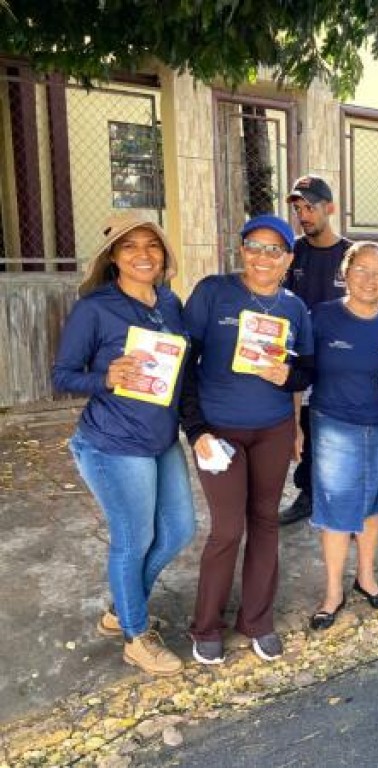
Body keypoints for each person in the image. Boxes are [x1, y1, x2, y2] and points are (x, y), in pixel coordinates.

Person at [52, 212, 196, 677]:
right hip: (112, 442)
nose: (143, 255)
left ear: (164, 254)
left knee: (179, 530)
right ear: (113, 256)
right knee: (134, 540)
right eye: (130, 246)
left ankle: (123, 608)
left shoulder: (169, 302)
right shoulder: (94, 308)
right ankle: (136, 636)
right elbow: (62, 376)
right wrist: (105, 378)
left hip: (161, 438)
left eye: (152, 245)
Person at [181, 214, 314, 665]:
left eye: (274, 250)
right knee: (227, 529)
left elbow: (307, 371)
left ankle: (257, 620)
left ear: (288, 259)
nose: (263, 257)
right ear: (242, 250)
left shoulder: (294, 308)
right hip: (219, 430)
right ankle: (206, 625)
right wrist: (196, 429)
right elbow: (184, 365)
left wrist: (286, 377)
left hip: (272, 430)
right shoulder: (213, 292)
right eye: (254, 246)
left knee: (265, 522)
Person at [308, 242, 378, 629]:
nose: (370, 279)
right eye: (361, 269)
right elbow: (300, 372)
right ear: (346, 272)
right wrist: (292, 426)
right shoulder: (322, 317)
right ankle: (332, 592)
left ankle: (366, 577)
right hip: (334, 426)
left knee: (374, 504)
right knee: (337, 510)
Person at [279, 175, 353, 526]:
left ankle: (344, 504)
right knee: (306, 431)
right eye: (298, 209)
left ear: (330, 208)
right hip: (302, 362)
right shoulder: (291, 253)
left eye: (310, 207)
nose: (303, 215)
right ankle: (308, 494)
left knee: (340, 436)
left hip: (341, 362)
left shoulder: (350, 255)